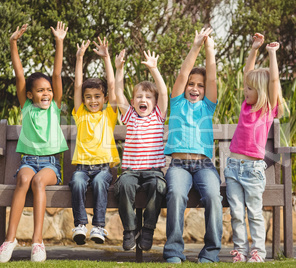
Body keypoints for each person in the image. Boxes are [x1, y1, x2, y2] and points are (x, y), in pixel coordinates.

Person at [0, 22, 69, 263]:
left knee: (37, 181)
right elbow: (19, 74)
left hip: (50, 166)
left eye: (48, 90)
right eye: (40, 90)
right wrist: (13, 42)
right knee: (24, 178)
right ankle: (10, 240)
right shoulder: (26, 108)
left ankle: (38, 242)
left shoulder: (54, 108)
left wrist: (59, 41)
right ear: (29, 95)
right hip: (28, 161)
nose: (46, 93)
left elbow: (57, 74)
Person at [162, 28, 223, 264]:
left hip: (204, 166)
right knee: (176, 193)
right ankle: (174, 252)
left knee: (213, 197)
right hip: (178, 166)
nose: (195, 88)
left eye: (199, 85)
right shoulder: (177, 103)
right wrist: (196, 45)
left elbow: (212, 77)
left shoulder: (208, 107)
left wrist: (210, 50)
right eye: (191, 84)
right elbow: (182, 73)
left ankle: (210, 252)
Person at [225, 33, 284, 263]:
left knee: (254, 213)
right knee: (237, 213)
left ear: (260, 91)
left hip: (253, 170)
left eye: (250, 88)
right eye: (246, 87)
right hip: (233, 168)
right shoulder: (244, 107)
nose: (245, 91)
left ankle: (257, 251)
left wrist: (271, 54)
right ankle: (240, 251)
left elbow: (274, 82)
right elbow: (247, 74)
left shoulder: (268, 109)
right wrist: (254, 48)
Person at [113, 49, 168, 251]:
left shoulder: (157, 116)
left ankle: (148, 230)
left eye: (147, 97)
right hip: (130, 171)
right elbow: (118, 93)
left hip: (153, 171)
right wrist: (119, 69)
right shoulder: (130, 116)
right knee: (124, 186)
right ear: (133, 100)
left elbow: (163, 92)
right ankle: (130, 230)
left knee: (158, 186)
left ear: (154, 103)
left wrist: (154, 69)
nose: (142, 99)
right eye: (138, 96)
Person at [69, 37, 120, 245]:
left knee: (99, 182)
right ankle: (80, 225)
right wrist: (79, 58)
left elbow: (112, 85)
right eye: (88, 97)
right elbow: (78, 86)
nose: (92, 101)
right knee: (77, 182)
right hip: (82, 167)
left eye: (97, 96)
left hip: (103, 169)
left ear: (104, 99)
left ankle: (99, 227)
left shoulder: (109, 115)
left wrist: (107, 57)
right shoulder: (80, 113)